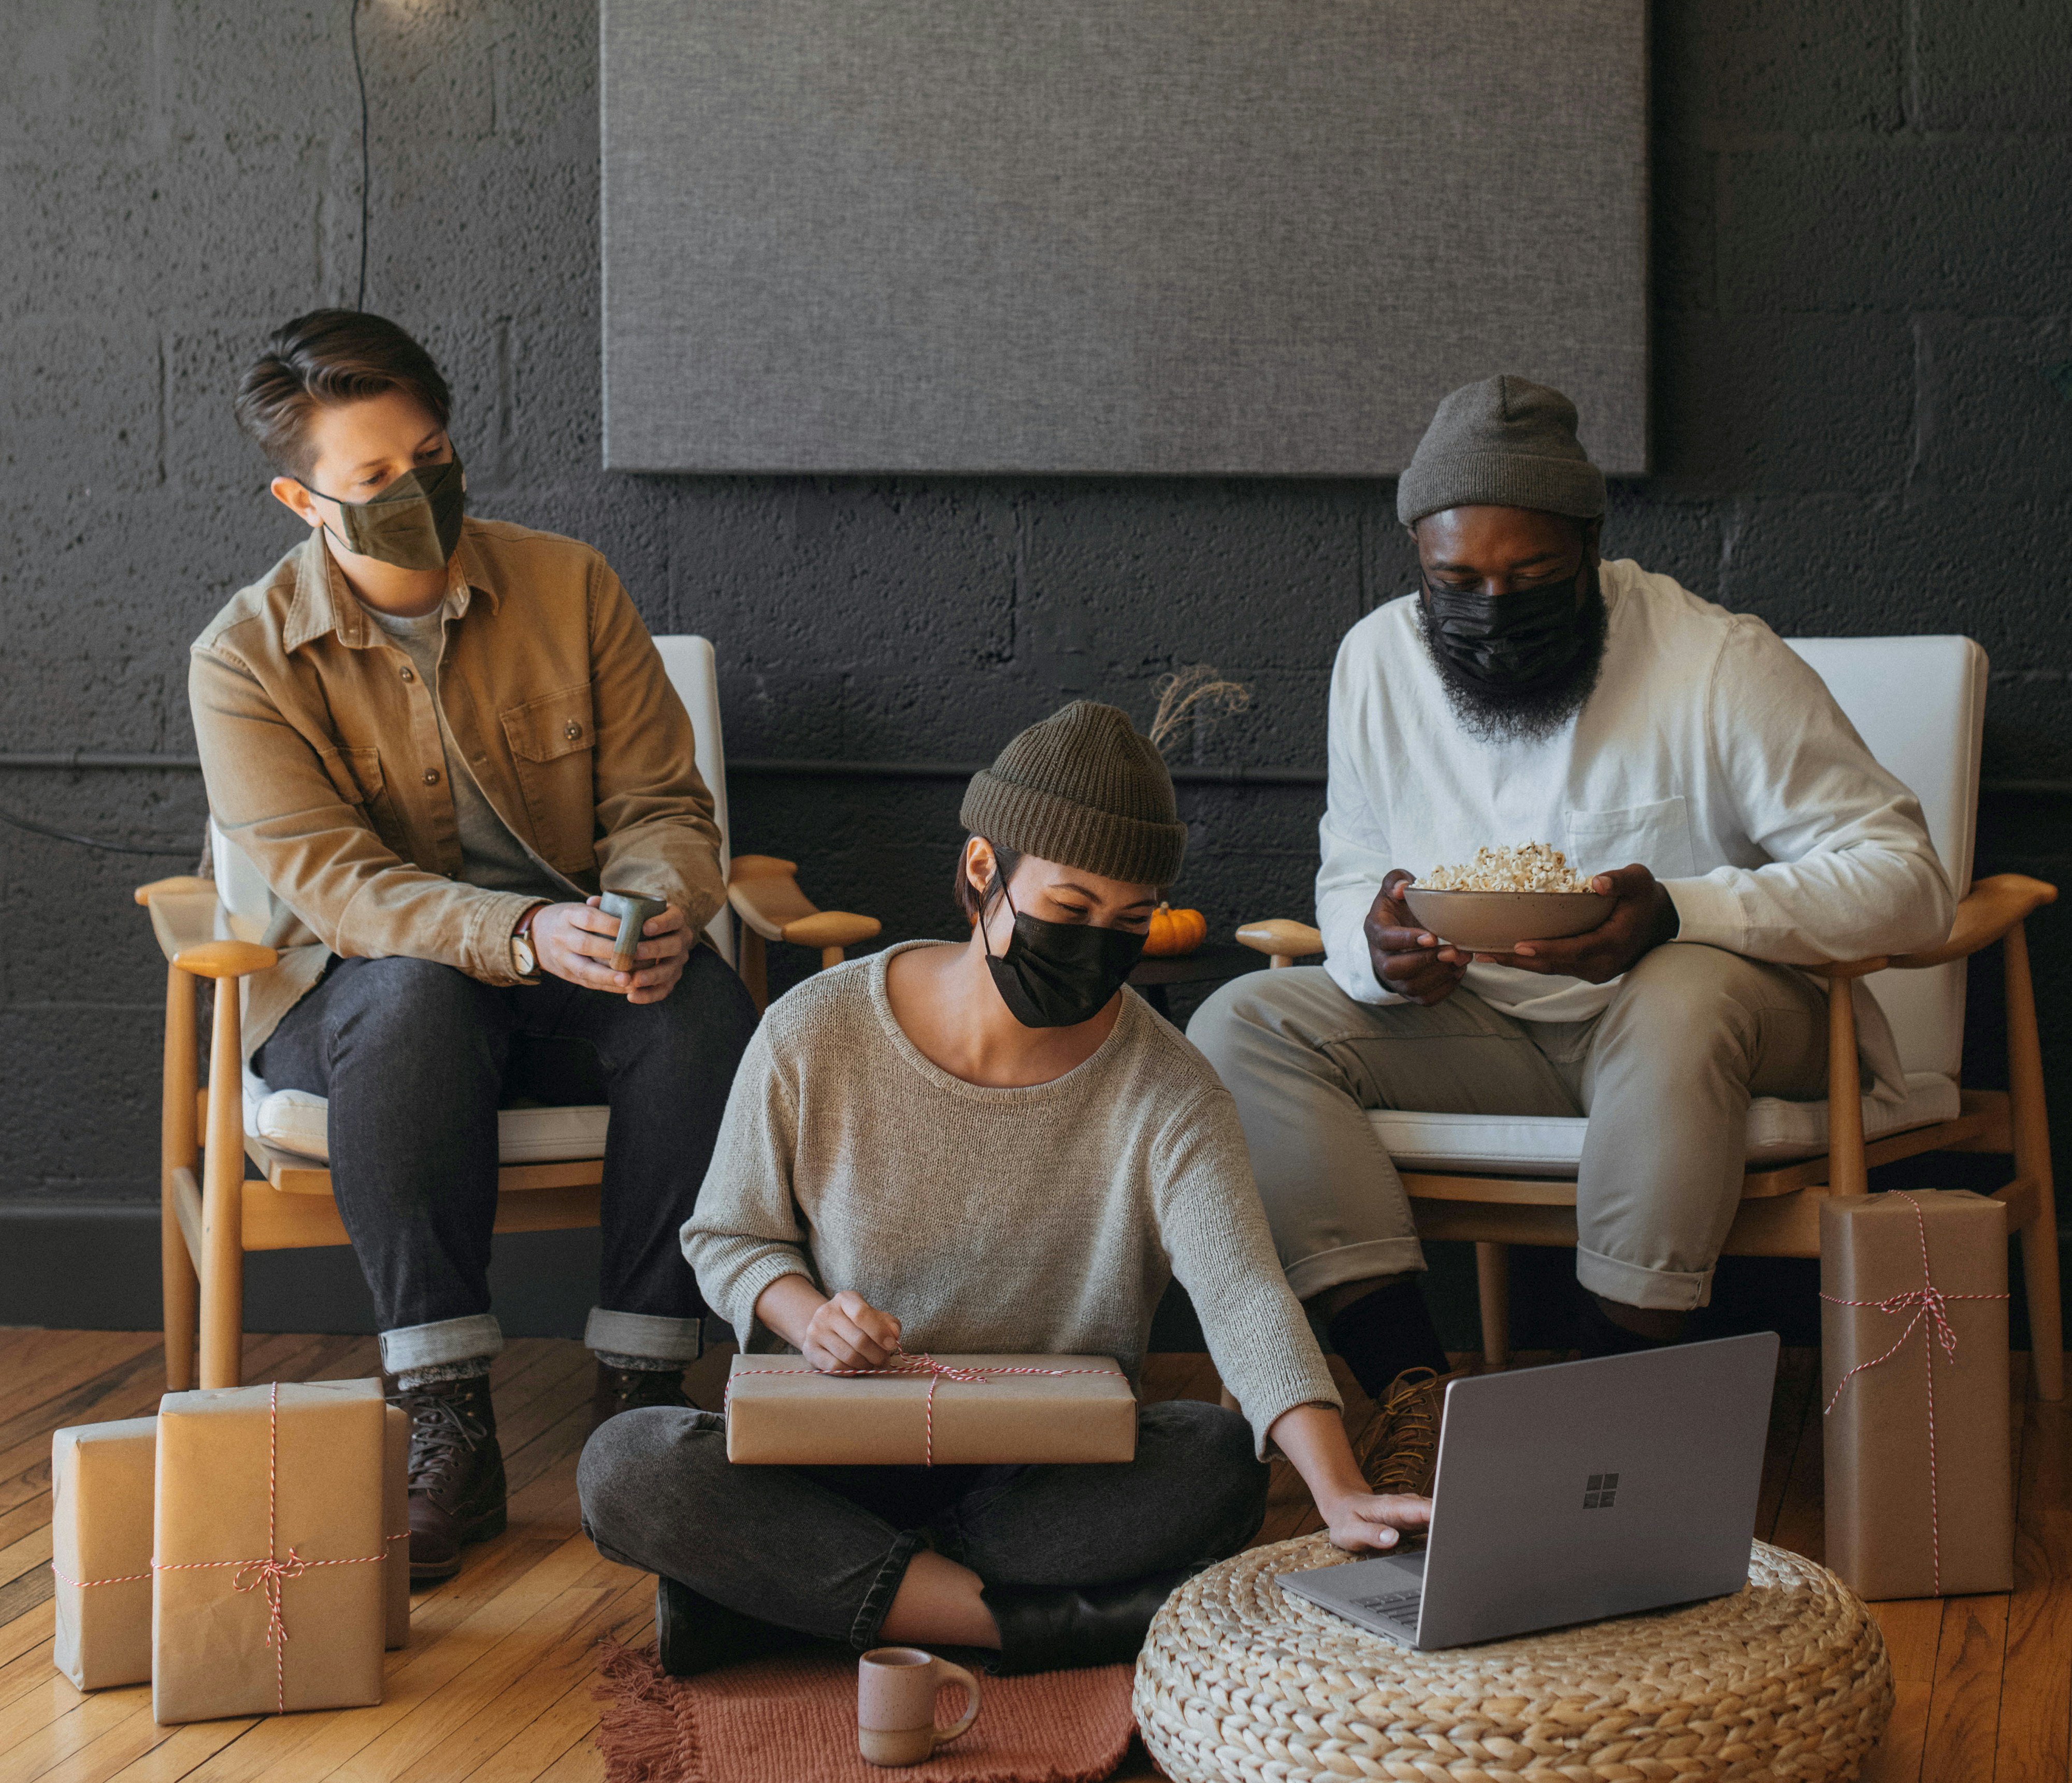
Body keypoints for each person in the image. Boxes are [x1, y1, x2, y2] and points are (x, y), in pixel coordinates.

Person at [578, 701, 1431, 1678]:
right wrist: (810, 1318)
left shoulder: (1169, 1087)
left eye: (1131, 922)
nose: (1099, 947)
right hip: (835, 1454)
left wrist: (1339, 1489)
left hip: (1045, 1476)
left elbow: (1241, 1290)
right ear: (984, 872)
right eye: (1070, 912)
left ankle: (792, 1604)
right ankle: (1022, 1626)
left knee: (1213, 1463)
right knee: (627, 1463)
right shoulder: (815, 1032)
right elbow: (729, 1238)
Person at [1189, 373, 1955, 1455]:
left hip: (1717, 1033)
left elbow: (1907, 880)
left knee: (1676, 992)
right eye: (1452, 579)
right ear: (1417, 560)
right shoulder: (1375, 660)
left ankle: (1604, 1409)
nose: (1489, 608)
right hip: (1484, 1025)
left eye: (1531, 573)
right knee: (1237, 1023)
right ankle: (1412, 1395)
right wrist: (1376, 947)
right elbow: (1350, 865)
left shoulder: (1715, 663)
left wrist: (1678, 913)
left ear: (1590, 547)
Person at [190, 308, 757, 1581]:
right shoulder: (242, 659)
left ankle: (644, 1401)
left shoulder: (571, 584)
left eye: (430, 455)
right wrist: (520, 931)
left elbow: (665, 806)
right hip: (361, 995)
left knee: (701, 1007)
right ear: (300, 498)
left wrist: (648, 911)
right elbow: (338, 890)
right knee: (414, 1001)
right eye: (374, 480)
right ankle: (442, 1416)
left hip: (576, 969)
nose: (417, 491)